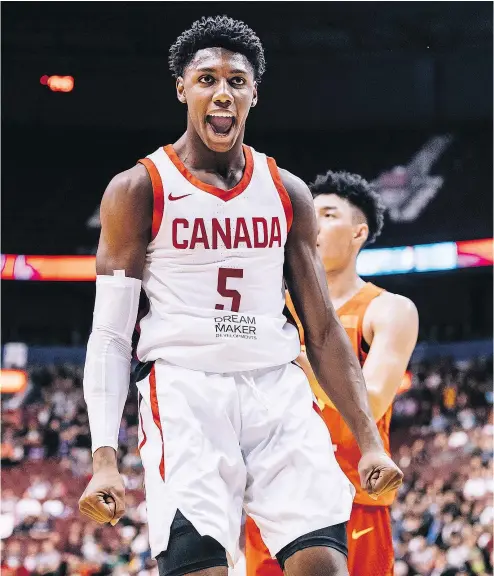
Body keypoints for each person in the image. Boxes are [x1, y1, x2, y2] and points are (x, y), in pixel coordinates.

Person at [78, 17, 403, 576]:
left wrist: (371, 443)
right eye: (206, 79)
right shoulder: (138, 189)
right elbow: (110, 335)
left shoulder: (286, 192)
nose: (222, 92)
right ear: (183, 88)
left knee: (324, 567)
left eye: (236, 80)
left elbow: (322, 329)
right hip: (185, 393)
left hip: (276, 390)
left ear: (254, 93)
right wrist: (104, 459)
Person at [245, 171, 418, 576]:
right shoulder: (270, 307)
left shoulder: (388, 309)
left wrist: (304, 360)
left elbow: (372, 400)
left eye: (327, 214)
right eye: (308, 215)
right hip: (273, 498)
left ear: (358, 233)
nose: (313, 224)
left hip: (352, 498)